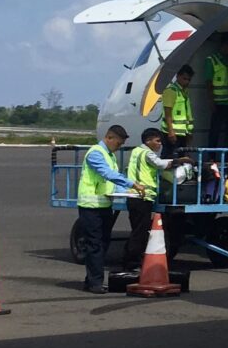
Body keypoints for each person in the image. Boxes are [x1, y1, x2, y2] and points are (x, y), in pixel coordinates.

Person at [74, 125, 133, 293]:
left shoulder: (109, 156)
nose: (119, 147)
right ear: (109, 138)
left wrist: (129, 191)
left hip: (104, 205)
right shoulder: (96, 153)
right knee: (95, 244)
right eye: (118, 143)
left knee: (103, 243)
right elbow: (107, 174)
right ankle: (95, 283)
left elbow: (111, 183)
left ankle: (91, 280)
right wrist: (130, 183)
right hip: (90, 206)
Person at [120, 127, 179, 276]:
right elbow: (160, 164)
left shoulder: (136, 151)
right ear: (148, 141)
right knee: (140, 232)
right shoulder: (147, 153)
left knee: (137, 231)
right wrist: (179, 160)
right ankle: (132, 264)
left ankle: (131, 261)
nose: (160, 144)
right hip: (141, 196)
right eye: (157, 141)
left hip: (135, 197)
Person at [162, 65, 196, 156]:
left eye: (189, 79)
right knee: (170, 157)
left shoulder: (184, 92)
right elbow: (167, 112)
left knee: (181, 158)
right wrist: (170, 131)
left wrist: (189, 132)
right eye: (184, 79)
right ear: (178, 76)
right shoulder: (171, 91)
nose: (187, 82)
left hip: (182, 133)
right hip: (172, 133)